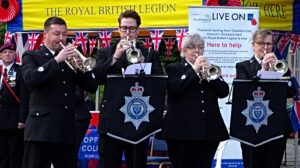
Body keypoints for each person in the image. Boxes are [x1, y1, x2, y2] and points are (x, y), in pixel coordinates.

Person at [21, 16, 98, 168]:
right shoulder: (32, 56)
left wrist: (81, 65)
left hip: (66, 129)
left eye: (64, 34)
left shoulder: (70, 60)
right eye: (57, 34)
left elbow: (92, 86)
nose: (61, 38)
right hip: (41, 130)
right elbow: (31, 78)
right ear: (46, 35)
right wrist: (57, 60)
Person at [93, 10, 163, 168]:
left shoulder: (150, 54)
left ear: (138, 30)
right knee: (109, 163)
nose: (127, 32)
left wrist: (144, 65)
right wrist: (115, 57)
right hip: (111, 119)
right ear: (118, 29)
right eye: (124, 28)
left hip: (137, 119)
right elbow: (95, 78)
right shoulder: (106, 52)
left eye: (132, 29)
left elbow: (159, 84)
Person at [164, 33, 229, 168]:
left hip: (209, 131)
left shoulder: (211, 69)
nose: (197, 51)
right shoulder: (174, 68)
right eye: (192, 47)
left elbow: (224, 92)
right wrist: (194, 70)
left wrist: (210, 77)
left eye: (200, 47)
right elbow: (174, 89)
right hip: (181, 132)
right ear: (184, 51)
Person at [235, 28, 294, 168]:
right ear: (253, 44)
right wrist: (263, 70)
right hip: (253, 125)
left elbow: (291, 92)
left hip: (277, 124)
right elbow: (243, 93)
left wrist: (281, 72)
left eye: (268, 44)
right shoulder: (243, 66)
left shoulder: (280, 65)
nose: (265, 47)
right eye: (261, 43)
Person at [0, 43, 26, 168]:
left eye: (10, 52)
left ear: (15, 54)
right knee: (1, 153)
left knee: (15, 153)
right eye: (4, 52)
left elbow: (24, 96)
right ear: (0, 55)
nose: (7, 54)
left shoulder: (19, 71)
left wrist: (22, 119)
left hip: (14, 120)